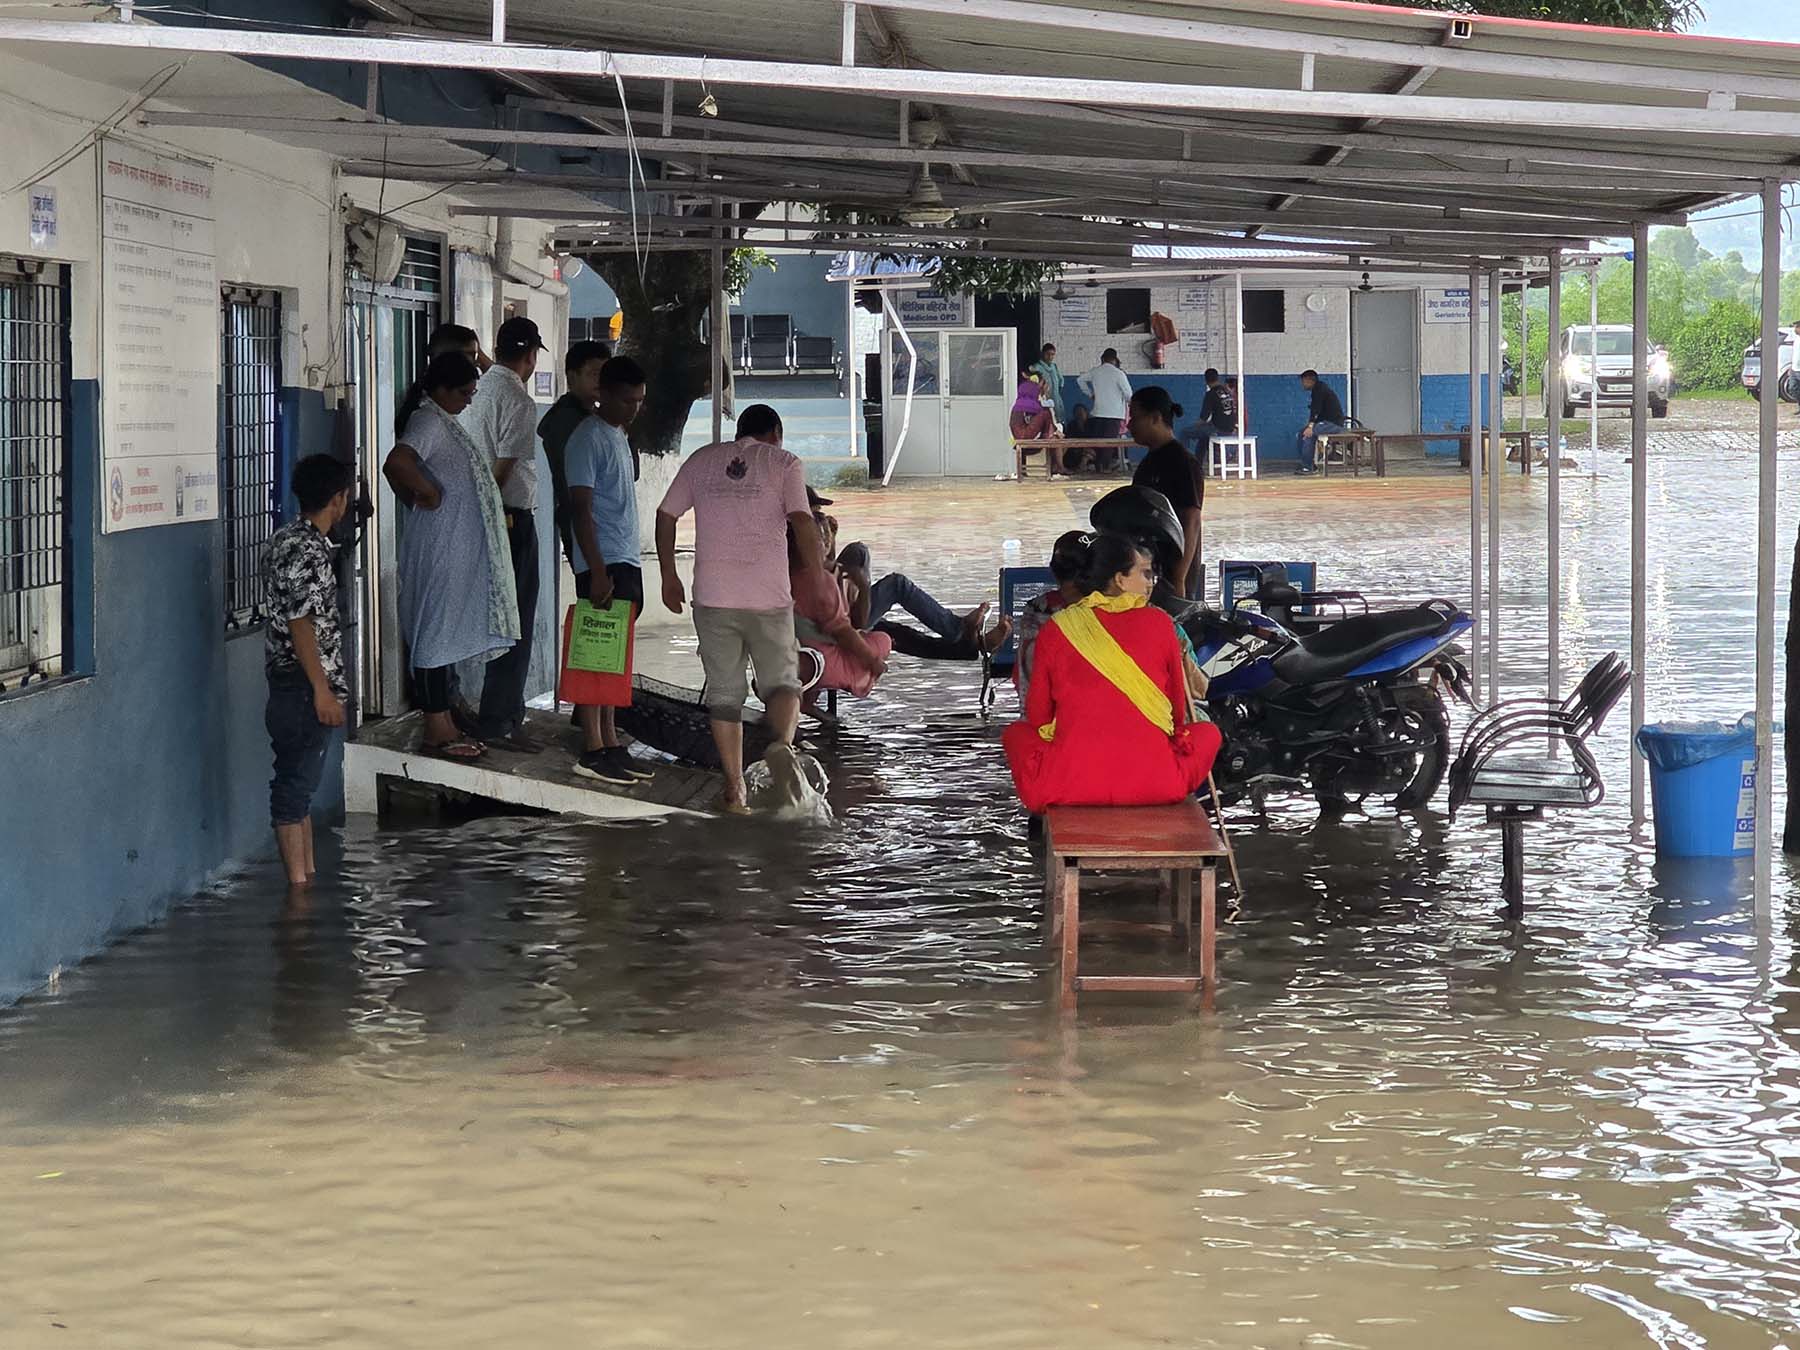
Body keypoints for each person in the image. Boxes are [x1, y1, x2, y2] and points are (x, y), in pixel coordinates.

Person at [657, 404, 825, 815]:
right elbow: (802, 521)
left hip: (714, 598)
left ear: (739, 432)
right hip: (768, 598)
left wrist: (668, 575)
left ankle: (734, 788)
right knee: (783, 685)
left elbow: (665, 514)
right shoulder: (784, 463)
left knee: (725, 698)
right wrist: (819, 577)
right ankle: (780, 746)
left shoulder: (701, 460)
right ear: (776, 434)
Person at [1001, 532, 1222, 814]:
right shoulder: (1161, 623)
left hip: (1069, 785)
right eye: (1143, 573)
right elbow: (1177, 715)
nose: (1150, 582)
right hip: (1159, 784)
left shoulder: (1057, 626)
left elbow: (1038, 717)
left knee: (1016, 734)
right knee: (1209, 733)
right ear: (1119, 579)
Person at [382, 351, 519, 763]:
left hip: (453, 551)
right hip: (439, 549)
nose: (469, 400)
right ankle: (435, 730)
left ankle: (444, 721)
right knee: (433, 637)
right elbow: (396, 462)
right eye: (464, 392)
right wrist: (425, 492)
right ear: (440, 389)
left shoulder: (443, 420)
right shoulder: (427, 420)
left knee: (442, 636)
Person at [261, 454, 354, 888]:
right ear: (338, 499)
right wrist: (322, 690)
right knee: (293, 790)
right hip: (302, 688)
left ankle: (307, 879)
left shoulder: (285, 539)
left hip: (289, 684)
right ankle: (297, 898)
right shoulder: (309, 551)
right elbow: (301, 624)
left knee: (299, 788)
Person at [565, 356, 654, 786]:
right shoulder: (586, 439)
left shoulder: (619, 435)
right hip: (602, 561)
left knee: (614, 655)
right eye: (626, 400)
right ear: (603, 394)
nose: (633, 409)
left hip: (625, 556)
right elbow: (579, 508)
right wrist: (597, 570)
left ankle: (610, 738)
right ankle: (593, 747)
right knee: (595, 654)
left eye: (639, 401)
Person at [462, 316, 547, 752]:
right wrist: (492, 519)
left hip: (478, 516)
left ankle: (501, 712)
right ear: (531, 355)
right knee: (517, 622)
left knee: (498, 620)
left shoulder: (478, 390)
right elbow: (503, 470)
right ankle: (501, 720)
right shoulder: (518, 400)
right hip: (509, 521)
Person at [823, 488, 1000, 650]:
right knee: (897, 589)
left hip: (833, 604)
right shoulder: (807, 534)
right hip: (831, 621)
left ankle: (972, 641)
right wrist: (862, 586)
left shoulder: (813, 533)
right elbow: (821, 573)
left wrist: (831, 539)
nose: (821, 516)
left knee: (857, 551)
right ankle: (965, 635)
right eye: (817, 511)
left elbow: (826, 569)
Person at [537, 338, 614, 570]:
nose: (601, 381)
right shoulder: (569, 421)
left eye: (606, 374)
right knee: (598, 588)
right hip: (587, 526)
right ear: (572, 378)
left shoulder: (595, 417)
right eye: (594, 374)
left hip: (602, 525)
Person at [1129, 386, 1204, 601]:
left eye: (1135, 417)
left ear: (1155, 418)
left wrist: (1178, 578)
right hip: (1150, 568)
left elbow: (1192, 520)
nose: (1129, 425)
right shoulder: (1149, 462)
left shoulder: (1182, 462)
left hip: (1172, 575)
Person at [1014, 530, 1091, 705]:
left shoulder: (1037, 609)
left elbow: (1028, 675)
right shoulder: (1105, 608)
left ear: (1053, 570)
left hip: (1043, 709)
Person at [1295, 369, 1346, 475]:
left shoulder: (1320, 390)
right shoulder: (1318, 389)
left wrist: (1311, 427)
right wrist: (1310, 426)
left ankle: (1308, 467)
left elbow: (1315, 410)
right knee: (1301, 433)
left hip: (1333, 424)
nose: (1302, 384)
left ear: (1310, 380)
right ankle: (1306, 463)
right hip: (1325, 423)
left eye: (1303, 381)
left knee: (1308, 435)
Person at [1011, 370, 1062, 476]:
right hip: (1024, 436)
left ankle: (1052, 436)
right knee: (1046, 413)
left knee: (1048, 419)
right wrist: (1055, 431)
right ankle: (1051, 436)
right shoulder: (1032, 404)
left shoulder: (1019, 405)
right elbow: (1045, 412)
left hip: (1020, 436)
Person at [1079, 348, 1133, 441]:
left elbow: (1080, 380)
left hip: (1098, 413)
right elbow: (1128, 394)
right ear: (1115, 359)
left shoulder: (1095, 371)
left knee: (1098, 443)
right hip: (1115, 415)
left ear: (1103, 359)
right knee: (1109, 443)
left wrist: (1090, 394)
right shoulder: (1119, 374)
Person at [1192, 368, 1238, 456]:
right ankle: (1207, 458)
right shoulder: (1227, 392)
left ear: (1206, 381)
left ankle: (1183, 458)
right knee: (1203, 438)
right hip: (1231, 428)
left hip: (1218, 429)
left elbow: (1203, 418)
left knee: (1185, 432)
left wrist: (1195, 426)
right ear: (1217, 378)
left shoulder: (1211, 394)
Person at [1029, 342, 1066, 426]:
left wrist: (1057, 393)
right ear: (1042, 353)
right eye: (1047, 354)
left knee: (1059, 422)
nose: (1050, 357)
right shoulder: (1036, 367)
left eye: (1052, 354)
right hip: (1044, 400)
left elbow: (1061, 380)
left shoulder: (1054, 366)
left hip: (1056, 399)